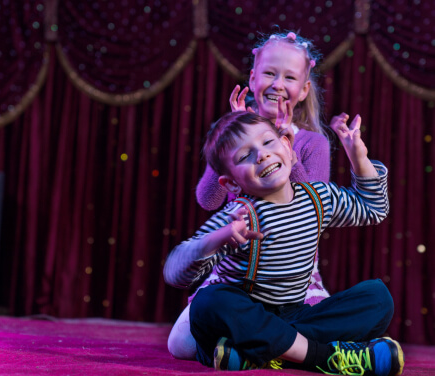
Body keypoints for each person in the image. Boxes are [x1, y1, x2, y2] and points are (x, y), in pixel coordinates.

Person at [164, 111, 403, 375]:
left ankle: (257, 353)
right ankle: (325, 357)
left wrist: (359, 158)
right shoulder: (239, 218)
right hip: (246, 318)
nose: (262, 155)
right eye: (244, 156)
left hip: (296, 316)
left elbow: (373, 209)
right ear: (231, 183)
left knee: (378, 298)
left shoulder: (319, 198)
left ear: (288, 147)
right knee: (208, 301)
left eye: (268, 142)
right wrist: (214, 239)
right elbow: (175, 273)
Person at [168, 31, 331, 360]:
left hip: (290, 272)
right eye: (270, 73)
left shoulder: (312, 144)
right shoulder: (233, 133)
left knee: (319, 324)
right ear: (253, 77)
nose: (278, 84)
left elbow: (316, 212)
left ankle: (253, 347)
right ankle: (261, 347)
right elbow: (208, 200)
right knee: (181, 345)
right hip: (237, 267)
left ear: (304, 89)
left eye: (289, 77)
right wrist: (230, 135)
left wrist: (289, 151)